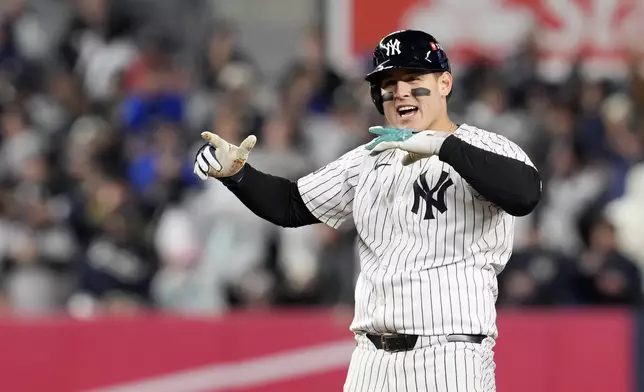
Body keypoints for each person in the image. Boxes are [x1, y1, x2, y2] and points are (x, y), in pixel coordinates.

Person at [193, 29, 542, 392]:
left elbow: (525, 193)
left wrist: (444, 146)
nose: (401, 91)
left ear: (444, 83)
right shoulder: (368, 159)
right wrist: (238, 175)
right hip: (371, 360)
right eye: (389, 82)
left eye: (413, 78)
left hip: (449, 354)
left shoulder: (481, 146)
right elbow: (292, 205)